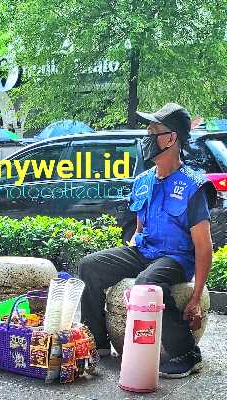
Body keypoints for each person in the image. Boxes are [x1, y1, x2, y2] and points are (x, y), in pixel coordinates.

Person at [78, 103, 216, 379]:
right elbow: (139, 230)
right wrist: (127, 254)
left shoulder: (192, 186)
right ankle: (99, 343)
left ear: (170, 138)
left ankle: (187, 353)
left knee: (146, 284)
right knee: (89, 265)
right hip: (145, 250)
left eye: (152, 131)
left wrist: (196, 297)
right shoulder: (142, 180)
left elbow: (204, 247)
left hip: (176, 258)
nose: (146, 137)